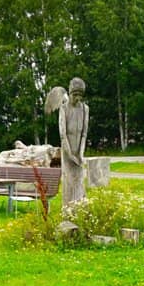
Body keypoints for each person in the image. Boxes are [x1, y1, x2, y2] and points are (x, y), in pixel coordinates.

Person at [45, 77, 89, 205]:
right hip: (67, 152)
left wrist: (80, 154)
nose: (78, 98)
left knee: (80, 184)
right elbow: (63, 135)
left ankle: (80, 212)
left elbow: (84, 134)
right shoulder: (64, 109)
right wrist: (70, 155)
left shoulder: (85, 109)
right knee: (69, 184)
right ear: (70, 93)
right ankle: (68, 212)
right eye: (75, 95)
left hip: (78, 153)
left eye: (80, 95)